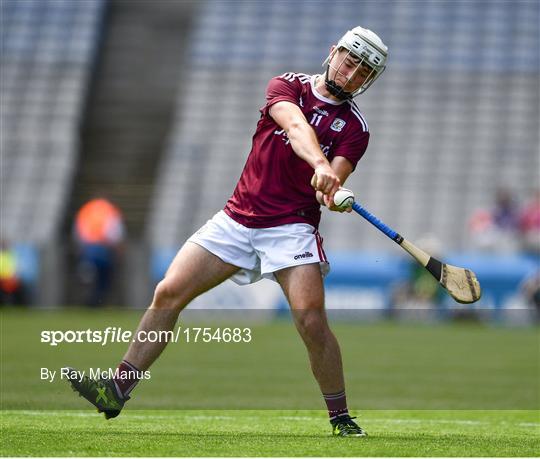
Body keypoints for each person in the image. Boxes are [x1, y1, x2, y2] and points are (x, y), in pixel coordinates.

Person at [66, 26, 388, 437]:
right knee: (168, 293)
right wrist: (321, 165)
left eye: (363, 70)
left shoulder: (356, 130)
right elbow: (295, 127)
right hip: (237, 219)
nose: (352, 71)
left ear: (368, 80)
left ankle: (340, 417)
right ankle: (115, 393)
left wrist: (331, 190)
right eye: (350, 59)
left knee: (311, 322)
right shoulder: (287, 85)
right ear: (333, 52)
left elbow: (330, 186)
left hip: (291, 228)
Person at [73, 197, 125, 306]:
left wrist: (80, 249)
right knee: (104, 279)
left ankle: (90, 299)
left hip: (88, 250)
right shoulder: (110, 210)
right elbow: (114, 233)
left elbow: (78, 232)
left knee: (90, 277)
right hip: (104, 250)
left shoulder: (86, 210)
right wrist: (118, 250)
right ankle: (97, 301)